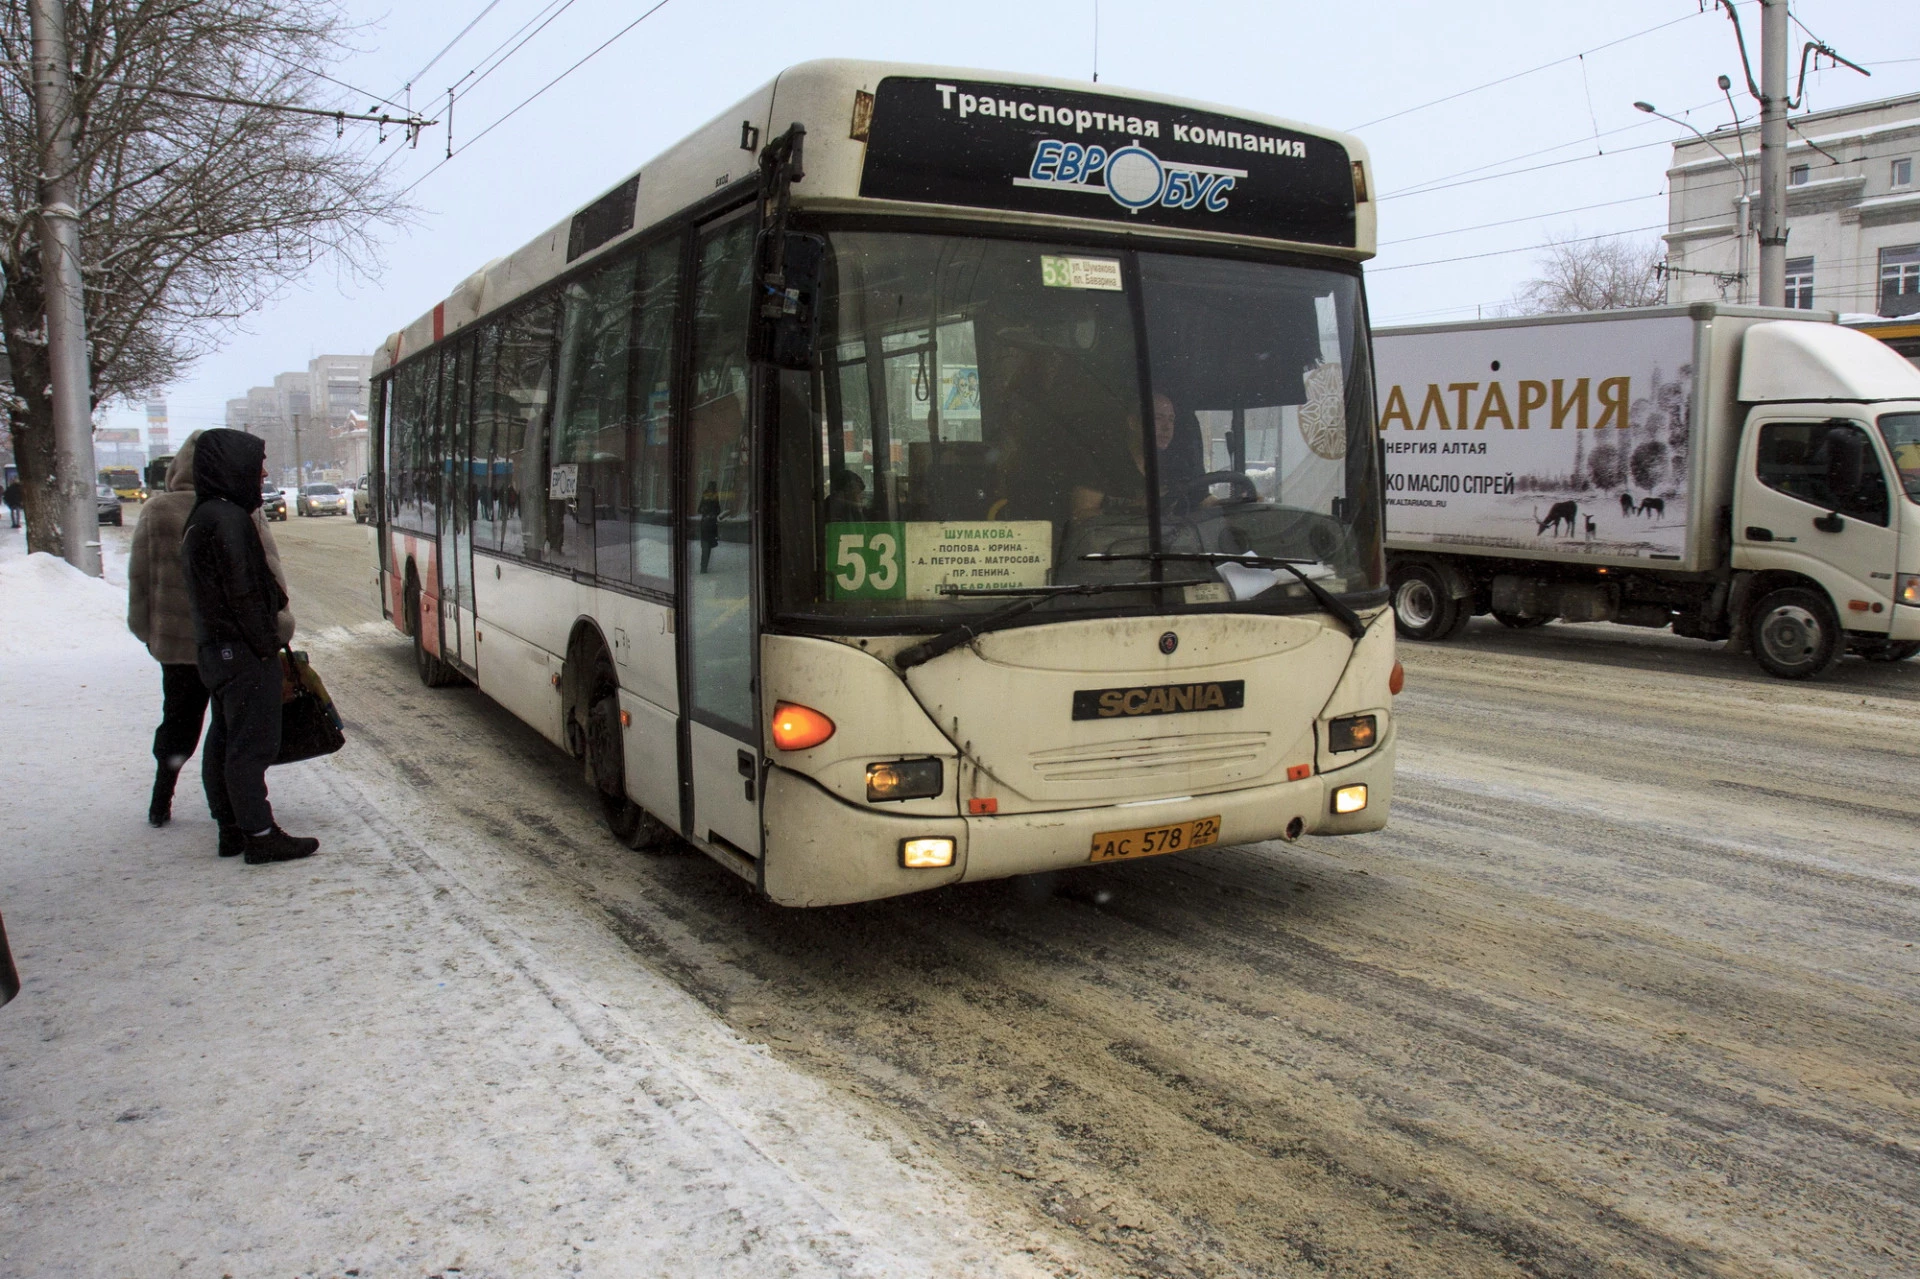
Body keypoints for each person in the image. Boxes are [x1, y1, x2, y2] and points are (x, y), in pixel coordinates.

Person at [128, 431, 295, 830]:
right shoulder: (238, 509)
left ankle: (162, 794)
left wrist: (148, 632)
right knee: (228, 731)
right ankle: (231, 817)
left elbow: (140, 582)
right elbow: (268, 580)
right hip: (233, 645)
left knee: (179, 722)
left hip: (179, 647)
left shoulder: (157, 510)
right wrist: (277, 631)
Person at [180, 428, 317, 865]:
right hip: (241, 652)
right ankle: (259, 834)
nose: (262, 472)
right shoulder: (229, 519)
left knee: (224, 739)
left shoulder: (204, 514)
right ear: (232, 466)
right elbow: (244, 594)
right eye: (255, 463)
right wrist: (268, 643)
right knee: (250, 747)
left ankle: (232, 828)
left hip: (217, 651)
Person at [697, 480, 721, 573]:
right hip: (708, 525)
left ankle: (704, 567)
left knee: (707, 547)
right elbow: (700, 509)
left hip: (709, 525)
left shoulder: (714, 496)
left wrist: (712, 513)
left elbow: (718, 509)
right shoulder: (707, 496)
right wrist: (708, 513)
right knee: (706, 547)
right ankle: (703, 567)